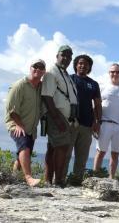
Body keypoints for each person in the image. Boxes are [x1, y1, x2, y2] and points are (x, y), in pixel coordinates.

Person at [5, 59, 46, 187]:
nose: (38, 69)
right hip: (16, 124)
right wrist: (19, 124)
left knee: (21, 155)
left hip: (31, 128)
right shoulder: (19, 85)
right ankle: (29, 178)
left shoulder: (41, 88)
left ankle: (12, 178)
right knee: (24, 147)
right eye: (35, 66)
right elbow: (10, 109)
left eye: (41, 67)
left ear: (44, 72)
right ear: (30, 68)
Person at [42, 45, 78, 187]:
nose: (66, 58)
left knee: (53, 147)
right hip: (56, 115)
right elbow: (47, 96)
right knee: (62, 146)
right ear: (57, 56)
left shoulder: (66, 74)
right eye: (63, 55)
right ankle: (58, 181)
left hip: (65, 116)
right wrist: (57, 119)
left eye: (69, 56)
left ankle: (48, 180)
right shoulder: (52, 72)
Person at [64, 54, 101, 185]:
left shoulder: (93, 84)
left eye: (86, 64)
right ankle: (60, 180)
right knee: (66, 154)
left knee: (82, 157)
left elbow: (97, 104)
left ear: (89, 67)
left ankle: (76, 181)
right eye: (80, 63)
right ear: (75, 65)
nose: (82, 66)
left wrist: (97, 122)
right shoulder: (68, 79)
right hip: (70, 123)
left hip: (87, 125)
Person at [93, 63, 119, 179]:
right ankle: (95, 176)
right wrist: (95, 122)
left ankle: (111, 178)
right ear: (109, 73)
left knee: (115, 154)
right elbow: (96, 106)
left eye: (117, 72)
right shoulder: (102, 87)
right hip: (104, 123)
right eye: (112, 72)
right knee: (101, 152)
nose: (115, 74)